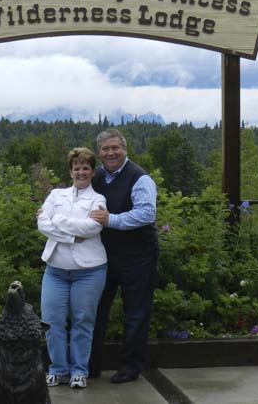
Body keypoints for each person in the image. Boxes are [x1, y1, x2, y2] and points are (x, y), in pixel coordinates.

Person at [88, 128, 159, 384]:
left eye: (115, 148)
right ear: (99, 152)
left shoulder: (140, 178)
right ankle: (89, 366)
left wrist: (111, 220)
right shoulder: (95, 176)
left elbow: (147, 213)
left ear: (124, 149)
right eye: (105, 149)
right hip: (102, 255)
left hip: (138, 255)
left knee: (136, 312)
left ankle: (130, 368)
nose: (111, 153)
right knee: (95, 309)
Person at [37, 147, 108, 390]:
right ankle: (57, 369)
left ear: (93, 172)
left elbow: (92, 228)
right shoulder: (56, 195)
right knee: (51, 321)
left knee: (82, 321)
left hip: (89, 272)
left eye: (85, 168)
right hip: (55, 271)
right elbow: (42, 224)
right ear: (70, 171)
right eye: (76, 168)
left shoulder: (98, 200)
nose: (81, 172)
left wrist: (57, 220)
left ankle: (79, 370)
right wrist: (70, 236)